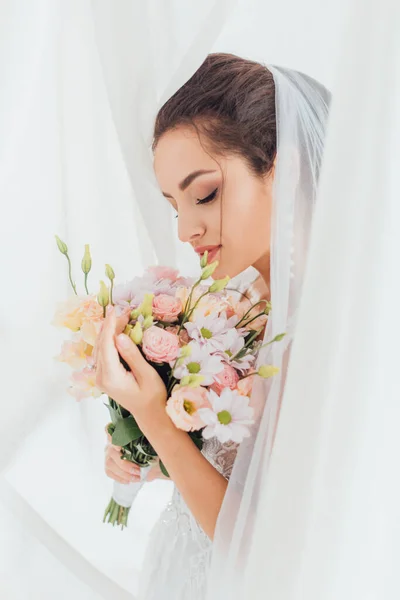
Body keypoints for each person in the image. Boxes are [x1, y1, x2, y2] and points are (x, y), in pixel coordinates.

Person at [95, 53, 331, 599]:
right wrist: (147, 458)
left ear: (283, 166)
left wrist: (153, 417)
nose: (185, 229)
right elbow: (241, 475)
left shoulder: (320, 332)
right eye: (174, 205)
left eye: (204, 194)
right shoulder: (247, 300)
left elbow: (265, 552)